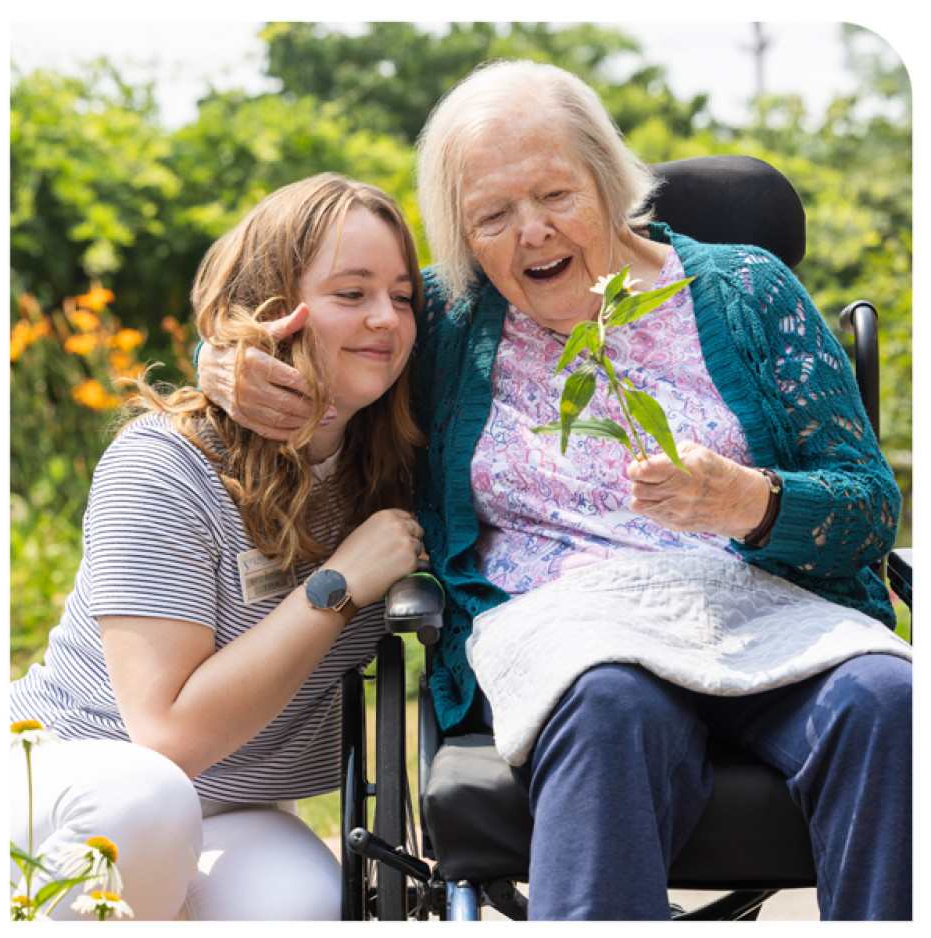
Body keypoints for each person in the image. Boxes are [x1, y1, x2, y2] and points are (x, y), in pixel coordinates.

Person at [196, 61, 912, 920]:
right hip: (571, 632)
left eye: (555, 196)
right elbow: (309, 318)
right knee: (610, 704)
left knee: (890, 701)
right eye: (491, 216)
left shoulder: (751, 292)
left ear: (610, 182)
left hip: (773, 619)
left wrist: (750, 504)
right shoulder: (443, 320)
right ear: (463, 238)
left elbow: (869, 506)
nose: (530, 233)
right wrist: (226, 362)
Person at [9, 173, 429, 921]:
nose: (386, 320)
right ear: (274, 310)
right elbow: (164, 738)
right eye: (351, 292)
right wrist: (335, 588)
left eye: (402, 297)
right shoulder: (164, 465)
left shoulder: (398, 461)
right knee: (146, 800)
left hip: (236, 807)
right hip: (70, 778)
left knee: (303, 909)